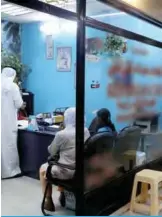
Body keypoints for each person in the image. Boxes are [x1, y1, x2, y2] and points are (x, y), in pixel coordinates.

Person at [40, 107, 90, 211]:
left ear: (66, 118)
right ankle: (62, 194)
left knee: (42, 169)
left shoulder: (61, 134)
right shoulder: (85, 131)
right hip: (81, 171)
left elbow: (51, 151)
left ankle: (48, 201)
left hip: (66, 171)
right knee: (60, 163)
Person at [1, 67, 24, 179]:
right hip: (8, 121)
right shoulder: (13, 86)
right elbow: (19, 104)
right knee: (9, 146)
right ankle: (10, 171)